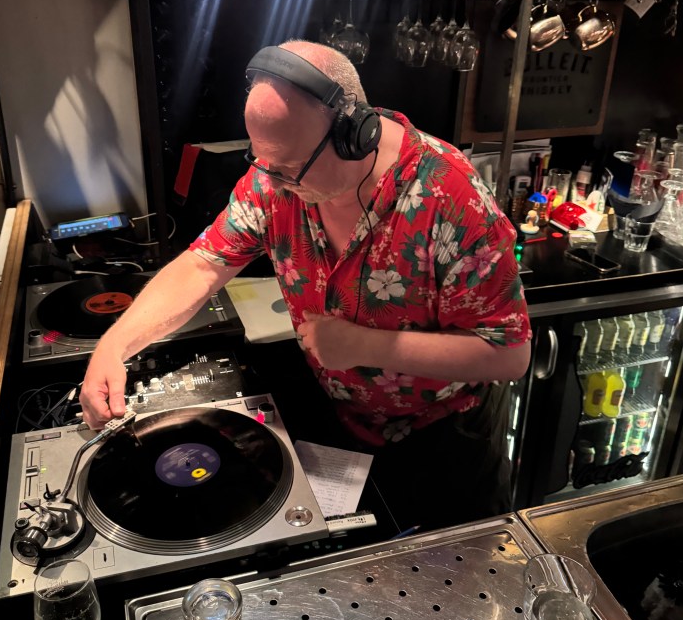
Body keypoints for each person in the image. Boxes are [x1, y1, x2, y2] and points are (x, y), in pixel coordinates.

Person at [80, 40, 531, 530]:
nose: (274, 180)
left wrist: (366, 345)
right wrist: (115, 345)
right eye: (264, 162)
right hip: (341, 423)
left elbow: (509, 354)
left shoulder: (452, 198)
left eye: (289, 167)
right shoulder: (275, 176)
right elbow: (204, 264)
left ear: (352, 134)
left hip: (446, 440)